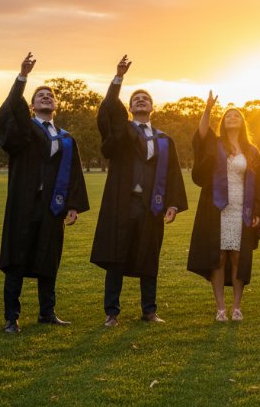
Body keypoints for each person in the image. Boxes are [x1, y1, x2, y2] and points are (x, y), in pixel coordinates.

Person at [90, 55, 187, 326]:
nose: (141, 100)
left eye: (145, 98)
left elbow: (173, 174)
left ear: (153, 107)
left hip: (151, 206)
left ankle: (149, 310)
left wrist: (172, 203)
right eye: (136, 99)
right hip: (122, 204)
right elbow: (109, 108)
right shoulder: (123, 133)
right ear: (130, 109)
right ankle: (112, 312)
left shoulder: (164, 140)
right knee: (116, 256)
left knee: (148, 255)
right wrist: (118, 78)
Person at [0, 53, 89, 334]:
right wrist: (22, 77)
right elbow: (10, 109)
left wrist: (72, 205)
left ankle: (47, 313)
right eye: (41, 95)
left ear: (56, 104)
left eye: (50, 95)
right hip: (24, 205)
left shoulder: (65, 138)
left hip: (52, 206)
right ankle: (11, 318)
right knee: (17, 258)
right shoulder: (25, 130)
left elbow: (74, 172)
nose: (46, 97)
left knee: (49, 257)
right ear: (32, 105)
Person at [187, 91, 260, 321]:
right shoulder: (215, 144)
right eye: (228, 116)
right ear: (223, 123)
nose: (232, 117)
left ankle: (237, 307)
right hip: (216, 208)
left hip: (241, 208)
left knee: (238, 256)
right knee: (218, 257)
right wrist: (207, 109)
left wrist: (258, 212)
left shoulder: (251, 150)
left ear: (242, 122)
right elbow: (201, 134)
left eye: (236, 115)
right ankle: (220, 308)